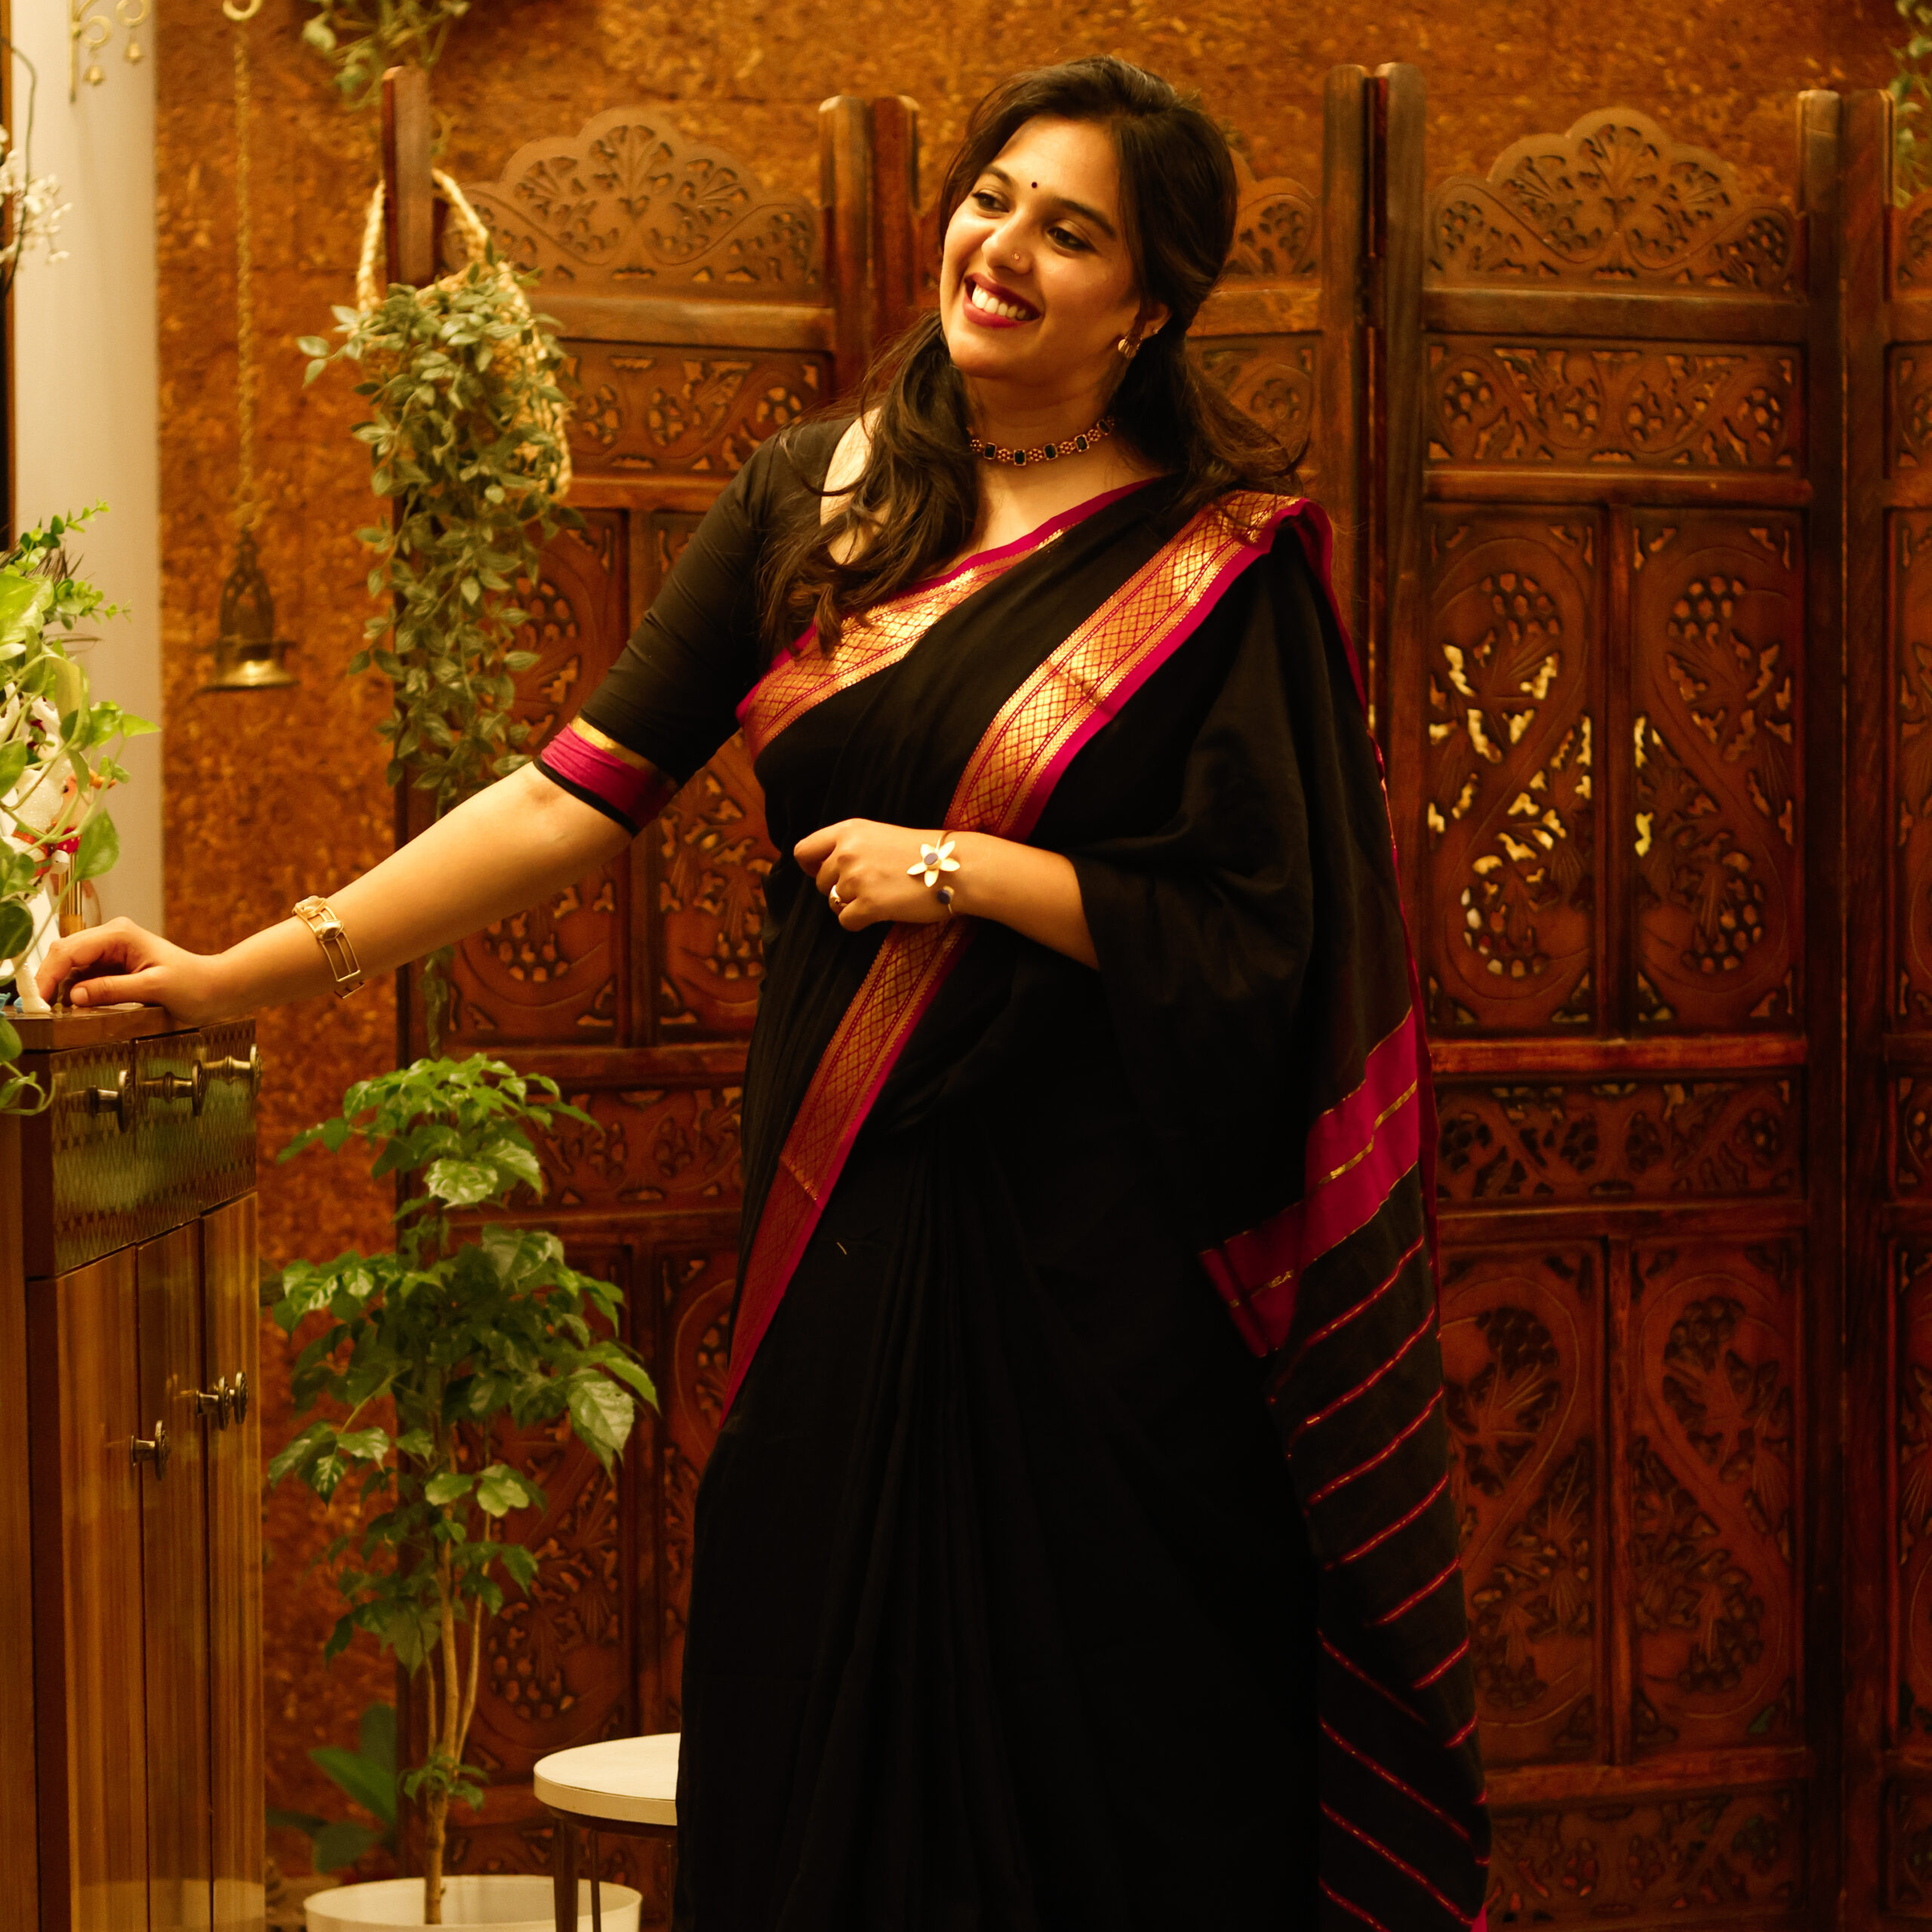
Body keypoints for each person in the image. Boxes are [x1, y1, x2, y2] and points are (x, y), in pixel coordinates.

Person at [40, 56, 1489, 1932]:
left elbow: (1274, 944)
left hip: (1106, 1285)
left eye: (1070, 231)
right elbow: (565, 797)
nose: (1002, 248)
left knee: (1110, 1762)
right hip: (851, 1229)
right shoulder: (812, 497)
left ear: (1146, 305)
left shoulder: (1221, 566)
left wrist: (969, 869)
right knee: (817, 1701)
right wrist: (237, 970)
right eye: (990, 197)